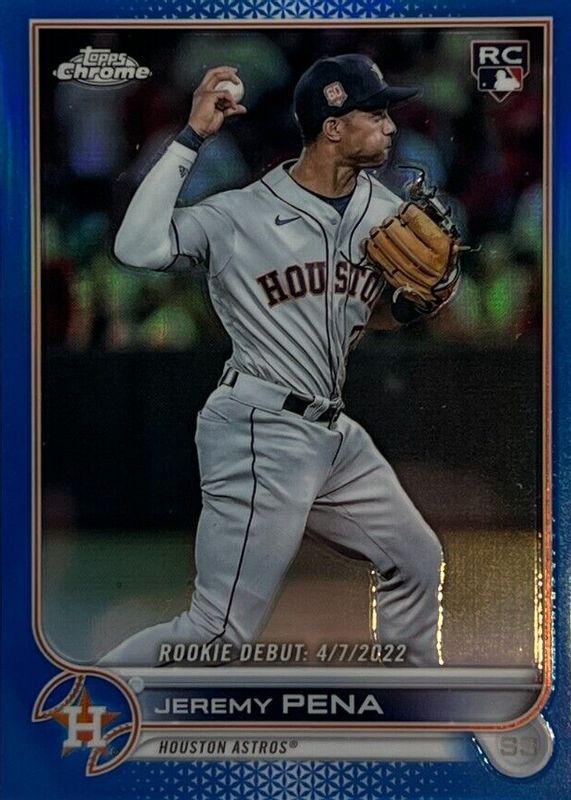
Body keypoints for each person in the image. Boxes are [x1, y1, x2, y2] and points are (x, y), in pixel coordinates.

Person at [99, 54, 451, 668]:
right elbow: (135, 247)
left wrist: (411, 307)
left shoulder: (382, 211)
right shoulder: (240, 215)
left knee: (416, 560)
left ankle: (412, 702)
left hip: (332, 435)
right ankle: (89, 699)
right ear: (333, 127)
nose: (391, 125)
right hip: (259, 426)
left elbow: (366, 311)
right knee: (216, 634)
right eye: (376, 114)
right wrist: (192, 137)